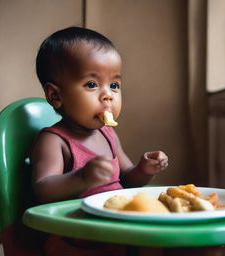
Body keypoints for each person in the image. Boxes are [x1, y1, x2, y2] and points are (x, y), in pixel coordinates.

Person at [30, 26, 168, 255]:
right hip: (79, 235)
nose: (108, 95)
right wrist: (82, 177)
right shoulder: (54, 141)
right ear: (56, 95)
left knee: (191, 243)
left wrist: (144, 169)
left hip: (118, 226)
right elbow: (44, 189)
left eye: (114, 85)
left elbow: (128, 179)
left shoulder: (108, 134)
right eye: (92, 84)